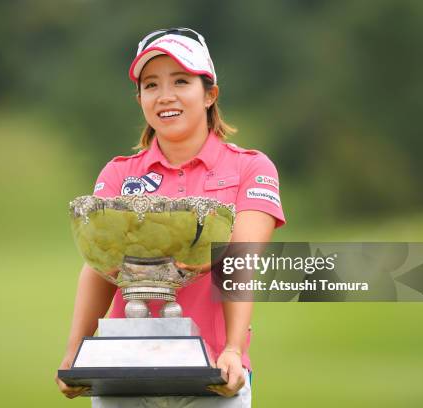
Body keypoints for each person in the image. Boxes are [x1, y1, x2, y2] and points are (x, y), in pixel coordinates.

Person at [56, 27, 286, 407]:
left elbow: (239, 262)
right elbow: (99, 268)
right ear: (140, 98)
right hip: (123, 377)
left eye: (181, 81)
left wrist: (231, 349)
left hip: (214, 374)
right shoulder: (119, 175)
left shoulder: (251, 168)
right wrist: (76, 350)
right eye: (151, 85)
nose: (165, 96)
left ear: (210, 93)